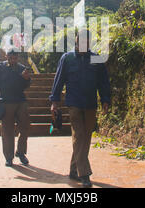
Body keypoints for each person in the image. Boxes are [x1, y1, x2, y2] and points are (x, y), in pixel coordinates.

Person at [49, 29, 111, 188]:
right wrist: (54, 101)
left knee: (86, 138)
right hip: (74, 103)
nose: (82, 43)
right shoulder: (67, 58)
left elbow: (103, 81)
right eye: (80, 40)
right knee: (79, 135)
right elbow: (59, 79)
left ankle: (73, 170)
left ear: (89, 42)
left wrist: (105, 99)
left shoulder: (97, 59)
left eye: (86, 41)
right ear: (76, 41)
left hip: (90, 103)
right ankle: (84, 174)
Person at [0, 50, 31, 167]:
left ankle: (21, 152)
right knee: (7, 130)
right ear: (7, 57)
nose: (13, 60)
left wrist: (26, 79)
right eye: (10, 58)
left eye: (15, 58)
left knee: (25, 128)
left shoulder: (21, 68)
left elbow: (26, 85)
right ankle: (9, 157)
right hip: (6, 102)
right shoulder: (0, 66)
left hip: (20, 101)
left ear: (17, 58)